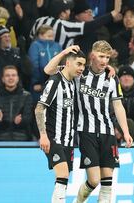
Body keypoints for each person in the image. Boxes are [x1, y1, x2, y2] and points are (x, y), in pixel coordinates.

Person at [45, 40, 133, 202]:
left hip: (107, 132)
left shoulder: (112, 78)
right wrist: (64, 53)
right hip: (86, 132)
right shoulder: (79, 73)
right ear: (92, 55)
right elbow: (48, 70)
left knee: (107, 182)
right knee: (94, 180)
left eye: (107, 57)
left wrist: (126, 132)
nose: (104, 61)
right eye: (101, 56)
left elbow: (118, 106)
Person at [35, 45, 86, 203]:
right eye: (79, 64)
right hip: (53, 137)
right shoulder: (55, 81)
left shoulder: (72, 82)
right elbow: (39, 109)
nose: (82, 68)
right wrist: (43, 135)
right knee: (63, 174)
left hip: (68, 140)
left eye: (84, 65)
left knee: (63, 181)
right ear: (68, 63)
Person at [29, 0, 122, 50]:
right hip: (56, 67)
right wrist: (112, 14)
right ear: (62, 14)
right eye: (68, 10)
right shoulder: (64, 26)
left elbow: (30, 39)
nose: (70, 12)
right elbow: (88, 26)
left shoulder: (39, 21)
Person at [0, 25, 32, 94]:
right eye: (4, 37)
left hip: (16, 95)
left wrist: (23, 53)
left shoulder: (17, 52)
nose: (8, 39)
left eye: (8, 36)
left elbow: (29, 71)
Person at [0, 65, 33, 141]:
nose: (11, 78)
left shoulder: (26, 96)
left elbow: (29, 119)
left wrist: (20, 122)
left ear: (17, 78)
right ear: (3, 79)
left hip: (22, 139)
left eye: (13, 75)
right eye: (7, 75)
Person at [28, 25, 62, 102]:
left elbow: (62, 62)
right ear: (41, 35)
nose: (51, 38)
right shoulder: (35, 46)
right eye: (49, 36)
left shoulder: (57, 46)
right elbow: (34, 65)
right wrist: (36, 82)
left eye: (52, 36)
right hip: (40, 84)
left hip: (56, 83)